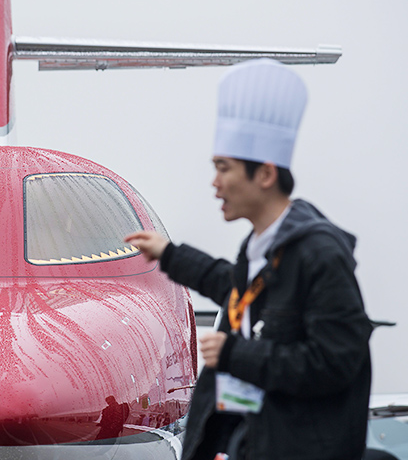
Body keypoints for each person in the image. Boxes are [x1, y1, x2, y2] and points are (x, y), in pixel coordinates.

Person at [125, 59, 372, 460]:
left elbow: (335, 363)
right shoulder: (262, 247)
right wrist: (170, 255)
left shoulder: (319, 255)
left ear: (265, 175)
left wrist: (234, 354)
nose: (215, 183)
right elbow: (236, 288)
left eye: (224, 169)